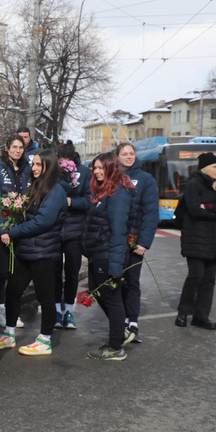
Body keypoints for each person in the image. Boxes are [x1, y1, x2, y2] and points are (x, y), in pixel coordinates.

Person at [0, 149, 66, 356]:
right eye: (34, 164)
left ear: (49, 166)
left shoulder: (56, 191)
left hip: (44, 253)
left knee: (45, 297)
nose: (35, 168)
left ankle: (45, 340)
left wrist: (13, 231)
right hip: (26, 251)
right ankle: (9, 334)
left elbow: (43, 222)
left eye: (40, 165)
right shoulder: (35, 186)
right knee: (12, 292)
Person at [175, 153, 216, 330]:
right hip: (194, 238)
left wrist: (209, 206)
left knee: (210, 279)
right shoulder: (194, 184)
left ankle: (201, 316)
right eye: (215, 166)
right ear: (205, 168)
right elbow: (195, 210)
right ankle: (183, 312)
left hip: (214, 239)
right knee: (196, 276)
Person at [82, 152, 135, 360]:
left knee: (112, 300)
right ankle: (119, 332)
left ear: (111, 169)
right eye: (94, 168)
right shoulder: (103, 191)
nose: (96, 172)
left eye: (100, 168)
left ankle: (115, 347)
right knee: (100, 293)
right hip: (98, 254)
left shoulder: (118, 195)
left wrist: (115, 265)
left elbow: (119, 231)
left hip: (107, 255)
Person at [0, 135, 31, 329]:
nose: (17, 150)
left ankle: (13, 310)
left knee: (17, 272)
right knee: (2, 270)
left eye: (20, 147)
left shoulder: (27, 170)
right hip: (1, 230)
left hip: (20, 229)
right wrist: (3, 230)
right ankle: (0, 309)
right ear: (6, 148)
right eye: (14, 147)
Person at [116, 142, 158, 342]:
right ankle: (119, 321)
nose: (128, 157)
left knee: (132, 281)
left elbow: (151, 213)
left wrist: (144, 242)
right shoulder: (111, 177)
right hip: (114, 241)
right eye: (124, 154)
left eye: (131, 153)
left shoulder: (145, 179)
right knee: (115, 281)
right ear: (117, 157)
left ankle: (132, 322)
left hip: (134, 242)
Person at [53, 143, 91, 330]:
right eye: (60, 162)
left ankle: (68, 310)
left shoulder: (84, 172)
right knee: (53, 272)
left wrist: (70, 201)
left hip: (75, 231)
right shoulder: (52, 171)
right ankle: (54, 311)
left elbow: (88, 200)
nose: (63, 165)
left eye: (66, 162)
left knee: (72, 272)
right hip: (54, 229)